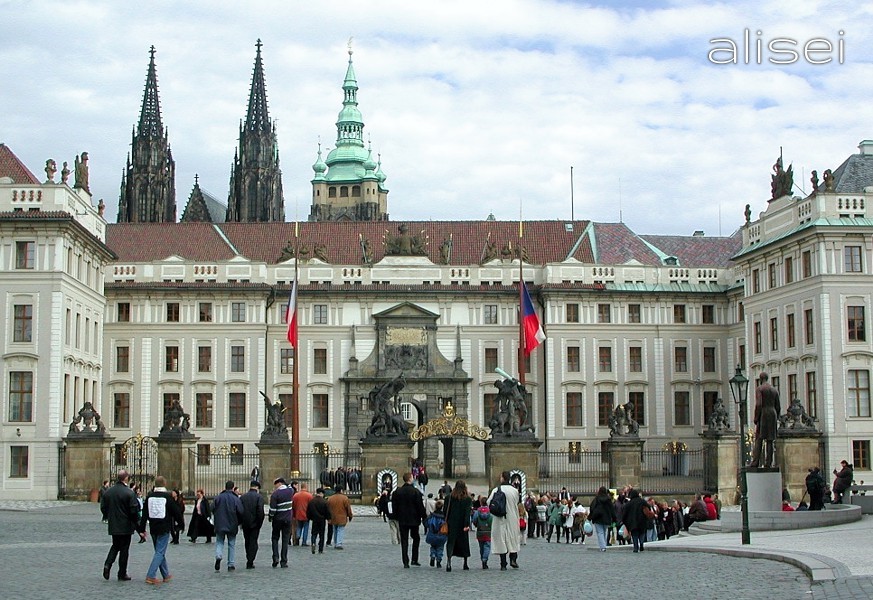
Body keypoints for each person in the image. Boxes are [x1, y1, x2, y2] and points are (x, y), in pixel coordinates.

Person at [138, 475, 184, 584]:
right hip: (164, 527)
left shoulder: (149, 496)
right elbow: (176, 512)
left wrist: (142, 529)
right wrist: (181, 524)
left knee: (159, 551)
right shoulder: (167, 497)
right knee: (160, 552)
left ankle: (166, 574)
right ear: (164, 484)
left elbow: (144, 514)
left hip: (153, 527)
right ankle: (150, 575)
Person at [100, 470, 145, 581]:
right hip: (126, 526)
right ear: (126, 478)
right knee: (124, 549)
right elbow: (134, 513)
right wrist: (140, 529)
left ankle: (107, 564)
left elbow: (103, 508)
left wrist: (108, 516)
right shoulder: (129, 493)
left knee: (115, 546)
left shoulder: (108, 492)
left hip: (114, 524)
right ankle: (122, 573)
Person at [391, 472, 427, 568]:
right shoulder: (415, 492)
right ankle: (414, 559)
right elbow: (420, 507)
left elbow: (394, 506)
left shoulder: (398, 492)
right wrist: (424, 517)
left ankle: (405, 561)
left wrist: (396, 516)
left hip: (402, 519)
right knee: (416, 538)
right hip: (414, 519)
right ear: (410, 479)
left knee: (404, 540)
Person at [487, 470, 521, 570]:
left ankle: (503, 563)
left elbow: (489, 502)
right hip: (512, 517)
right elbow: (517, 502)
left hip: (499, 517)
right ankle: (513, 559)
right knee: (512, 538)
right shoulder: (514, 490)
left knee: (501, 540)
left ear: (502, 478)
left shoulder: (496, 490)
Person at [750, 372, 781, 468]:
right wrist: (777, 416)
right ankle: (769, 462)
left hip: (764, 413)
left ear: (760, 379)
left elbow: (759, 404)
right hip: (773, 413)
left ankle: (755, 462)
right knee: (770, 440)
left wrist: (756, 417)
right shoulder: (774, 390)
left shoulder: (760, 389)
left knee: (759, 439)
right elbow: (778, 406)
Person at [212, 480, 244, 572]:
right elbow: (241, 511)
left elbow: (212, 508)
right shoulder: (235, 499)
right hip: (232, 524)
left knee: (219, 542)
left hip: (220, 524)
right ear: (233, 488)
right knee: (231, 544)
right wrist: (239, 521)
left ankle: (218, 556)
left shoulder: (218, 497)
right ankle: (231, 564)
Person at [444, 479, 473, 572]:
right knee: (464, 543)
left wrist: (447, 521)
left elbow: (445, 511)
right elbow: (467, 513)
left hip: (451, 523)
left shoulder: (449, 498)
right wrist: (466, 524)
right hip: (462, 524)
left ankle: (449, 561)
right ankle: (465, 563)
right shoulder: (467, 499)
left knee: (450, 543)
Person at [240, 480, 265, 569]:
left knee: (247, 541)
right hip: (255, 524)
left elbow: (239, 510)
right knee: (253, 542)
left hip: (245, 523)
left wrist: (241, 522)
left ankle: (248, 557)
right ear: (257, 488)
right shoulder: (259, 497)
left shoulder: (243, 497)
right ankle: (250, 560)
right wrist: (259, 522)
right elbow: (260, 511)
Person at [269, 477, 293, 567]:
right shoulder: (290, 491)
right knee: (285, 540)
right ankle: (284, 560)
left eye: (275, 484)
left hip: (278, 519)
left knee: (275, 538)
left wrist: (271, 517)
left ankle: (275, 557)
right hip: (288, 519)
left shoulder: (275, 494)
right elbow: (290, 486)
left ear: (279, 483)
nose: (275, 487)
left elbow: (272, 509)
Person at [588, 486, 617, 552]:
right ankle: (603, 545)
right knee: (604, 532)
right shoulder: (608, 499)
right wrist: (614, 518)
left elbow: (592, 508)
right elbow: (612, 510)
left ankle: (603, 547)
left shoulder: (596, 499)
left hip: (598, 518)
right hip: (607, 518)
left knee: (600, 532)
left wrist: (590, 517)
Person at [326, 484, 353, 549]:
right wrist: (350, 515)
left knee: (335, 529)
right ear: (341, 490)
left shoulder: (330, 498)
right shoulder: (344, 498)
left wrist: (328, 517)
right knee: (340, 529)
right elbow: (348, 508)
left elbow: (327, 508)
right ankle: (339, 543)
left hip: (333, 516)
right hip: (342, 516)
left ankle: (336, 542)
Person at [621, 489, 648, 553]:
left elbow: (625, 513)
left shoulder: (629, 504)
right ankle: (641, 544)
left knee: (634, 535)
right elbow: (648, 509)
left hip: (633, 522)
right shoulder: (642, 501)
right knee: (642, 533)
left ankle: (635, 547)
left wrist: (624, 521)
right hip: (642, 521)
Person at [424, 500, 447, 568]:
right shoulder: (444, 517)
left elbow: (426, 523)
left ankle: (433, 555)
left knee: (433, 546)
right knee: (440, 548)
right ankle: (439, 560)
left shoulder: (431, 516)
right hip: (441, 535)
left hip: (432, 535)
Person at [307, 487, 330, 554]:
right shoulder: (324, 501)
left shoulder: (312, 501)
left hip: (314, 520)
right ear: (321, 493)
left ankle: (313, 543)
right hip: (322, 520)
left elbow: (308, 511)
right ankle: (320, 549)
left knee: (314, 533)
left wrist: (310, 518)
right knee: (321, 534)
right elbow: (327, 511)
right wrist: (328, 518)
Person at [472, 496, 493, 569]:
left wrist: (476, 525)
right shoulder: (490, 512)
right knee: (487, 546)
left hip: (480, 531)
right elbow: (492, 521)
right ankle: (485, 559)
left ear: (480, 502)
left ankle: (482, 558)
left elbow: (474, 520)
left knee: (481, 547)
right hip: (488, 531)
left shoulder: (478, 511)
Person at [292, 482, 313, 546]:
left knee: (299, 527)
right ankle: (304, 542)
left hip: (298, 513)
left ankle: (298, 535)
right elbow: (311, 506)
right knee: (306, 528)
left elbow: (293, 505)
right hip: (306, 514)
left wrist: (294, 514)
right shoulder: (309, 495)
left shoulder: (296, 495)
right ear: (306, 487)